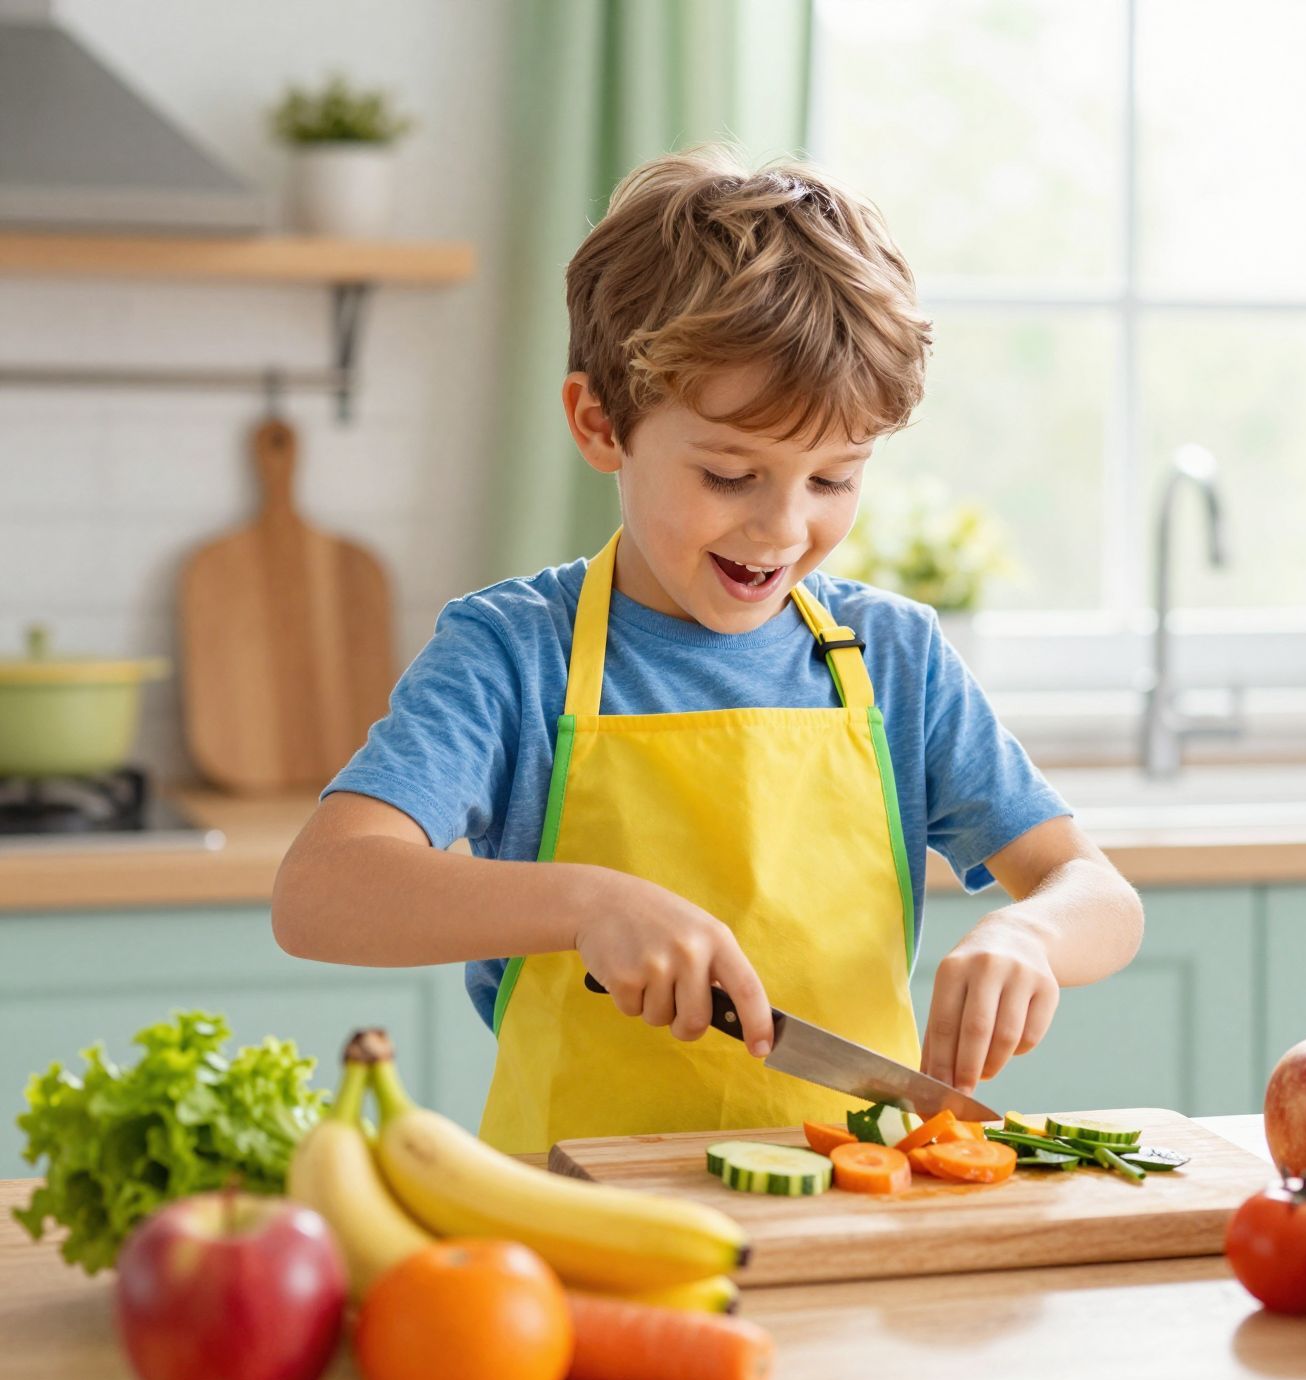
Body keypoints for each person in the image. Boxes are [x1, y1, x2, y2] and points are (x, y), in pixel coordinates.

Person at [271, 146, 1145, 1153]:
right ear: (601, 424)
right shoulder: (514, 656)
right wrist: (586, 902)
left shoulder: (893, 658)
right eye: (731, 475)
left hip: (848, 1216)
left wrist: (1029, 934)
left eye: (833, 479)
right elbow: (320, 893)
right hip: (574, 1221)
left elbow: (1095, 892)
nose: (781, 529)